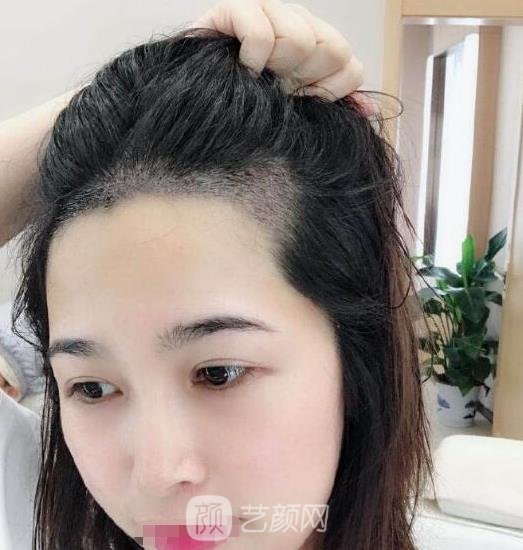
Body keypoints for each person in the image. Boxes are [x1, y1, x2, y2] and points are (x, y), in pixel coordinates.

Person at [0, 1, 432, 549]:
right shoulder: (29, 514)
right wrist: (153, 78)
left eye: (219, 373)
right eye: (92, 388)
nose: (157, 474)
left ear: (358, 365)